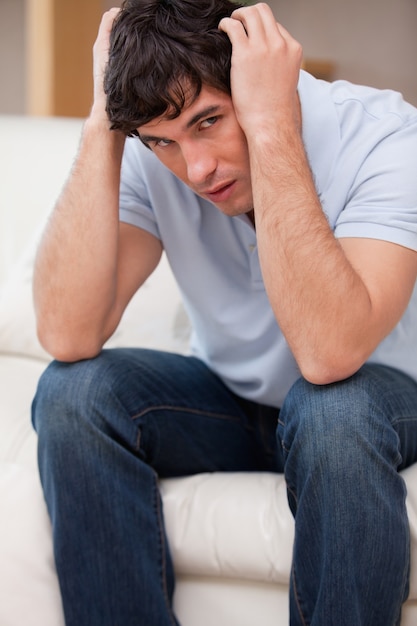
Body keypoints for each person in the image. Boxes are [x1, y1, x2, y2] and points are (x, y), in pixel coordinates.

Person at [31, 0, 417, 624]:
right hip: (232, 404)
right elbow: (67, 333)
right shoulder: (154, 149)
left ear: (257, 77)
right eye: (163, 142)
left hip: (375, 403)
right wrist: (105, 122)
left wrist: (271, 130)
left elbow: (328, 354)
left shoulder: (384, 137)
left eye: (209, 121)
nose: (197, 170)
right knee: (72, 393)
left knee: (332, 410)